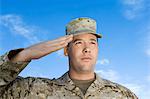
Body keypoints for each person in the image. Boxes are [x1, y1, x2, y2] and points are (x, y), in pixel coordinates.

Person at [0, 17, 138, 99]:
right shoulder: (33, 90)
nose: (87, 49)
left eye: (92, 42)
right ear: (66, 50)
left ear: (98, 49)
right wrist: (26, 54)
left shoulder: (123, 95)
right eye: (78, 42)